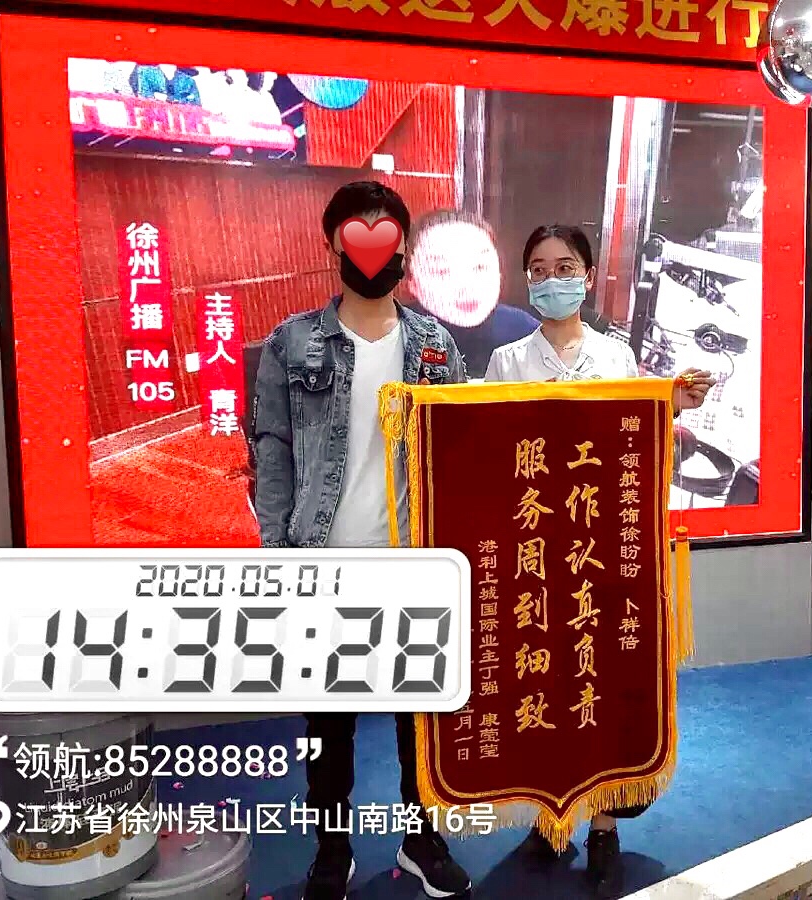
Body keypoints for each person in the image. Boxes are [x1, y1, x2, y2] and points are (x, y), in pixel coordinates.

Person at [252, 181, 472, 900]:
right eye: (357, 231)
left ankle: (422, 839)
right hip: (322, 565)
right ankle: (331, 850)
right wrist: (278, 556)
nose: (374, 248)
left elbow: (460, 451)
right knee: (329, 726)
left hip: (413, 566)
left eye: (386, 233)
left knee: (421, 721)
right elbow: (272, 454)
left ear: (404, 249)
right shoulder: (292, 342)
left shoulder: (435, 344)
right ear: (333, 246)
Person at [485, 224, 713, 897]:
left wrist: (673, 402)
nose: (551, 279)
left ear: (587, 277)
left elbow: (638, 442)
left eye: (565, 267)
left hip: (603, 552)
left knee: (600, 688)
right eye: (537, 268)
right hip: (535, 556)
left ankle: (605, 826)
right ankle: (550, 819)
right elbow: (488, 449)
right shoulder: (506, 361)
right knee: (544, 687)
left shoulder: (617, 358)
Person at [404, 210, 539, 376]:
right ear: (411, 282)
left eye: (480, 267)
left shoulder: (525, 332)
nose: (466, 285)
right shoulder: (399, 335)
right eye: (441, 271)